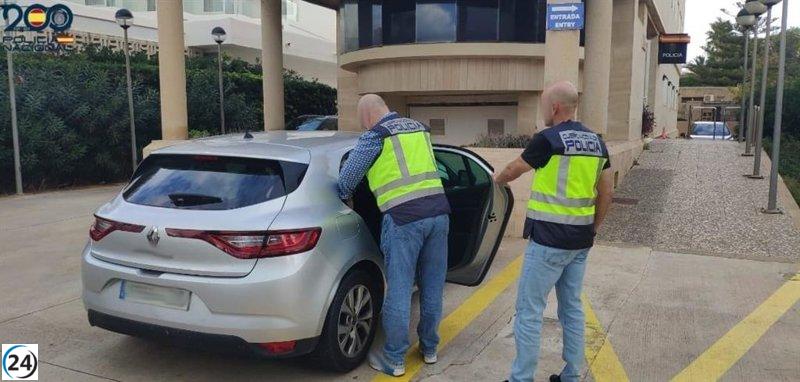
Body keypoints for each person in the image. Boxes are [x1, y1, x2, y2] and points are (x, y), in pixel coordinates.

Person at [494, 81, 614, 382]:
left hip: (548, 242)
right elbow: (606, 191)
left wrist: (495, 180)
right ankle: (572, 376)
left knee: (529, 311)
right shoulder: (598, 143)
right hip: (580, 242)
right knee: (572, 309)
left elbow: (514, 170)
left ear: (554, 107)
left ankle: (521, 378)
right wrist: (593, 229)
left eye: (543, 105)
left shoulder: (548, 139)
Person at [338, 94, 451, 377]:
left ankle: (394, 358)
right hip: (439, 214)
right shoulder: (419, 128)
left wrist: (344, 197)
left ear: (367, 116)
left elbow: (346, 180)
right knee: (432, 287)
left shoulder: (374, 136)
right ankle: (429, 349)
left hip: (404, 219)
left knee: (399, 290)